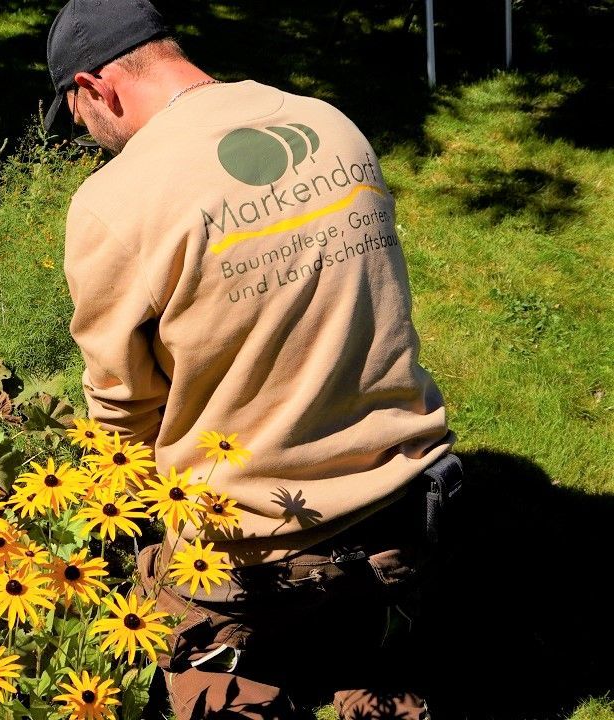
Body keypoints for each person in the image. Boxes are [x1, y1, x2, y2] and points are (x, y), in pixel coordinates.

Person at [44, 1, 461, 719]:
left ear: (97, 86)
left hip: (247, 546)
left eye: (79, 119)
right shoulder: (330, 124)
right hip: (405, 501)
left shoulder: (115, 201)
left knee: (204, 681)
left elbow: (121, 416)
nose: (91, 140)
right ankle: (372, 660)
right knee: (371, 672)